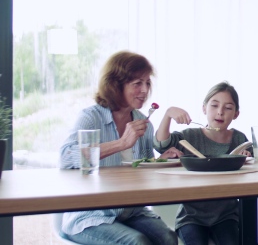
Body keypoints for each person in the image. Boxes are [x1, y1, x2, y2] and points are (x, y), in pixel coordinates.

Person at [59, 51, 181, 245]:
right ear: (116, 84)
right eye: (137, 83)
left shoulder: (143, 122)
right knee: (137, 242)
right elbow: (66, 156)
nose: (145, 90)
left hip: (130, 211)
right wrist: (121, 143)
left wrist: (161, 161)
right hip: (91, 215)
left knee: (169, 238)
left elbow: (141, 170)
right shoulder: (91, 117)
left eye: (147, 83)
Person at [154, 81, 252, 245]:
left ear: (236, 114)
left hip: (226, 215)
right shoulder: (190, 136)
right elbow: (161, 144)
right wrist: (168, 114)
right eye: (214, 105)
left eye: (228, 108)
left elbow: (253, 164)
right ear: (204, 108)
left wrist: (246, 157)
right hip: (191, 217)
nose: (220, 112)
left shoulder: (239, 139)